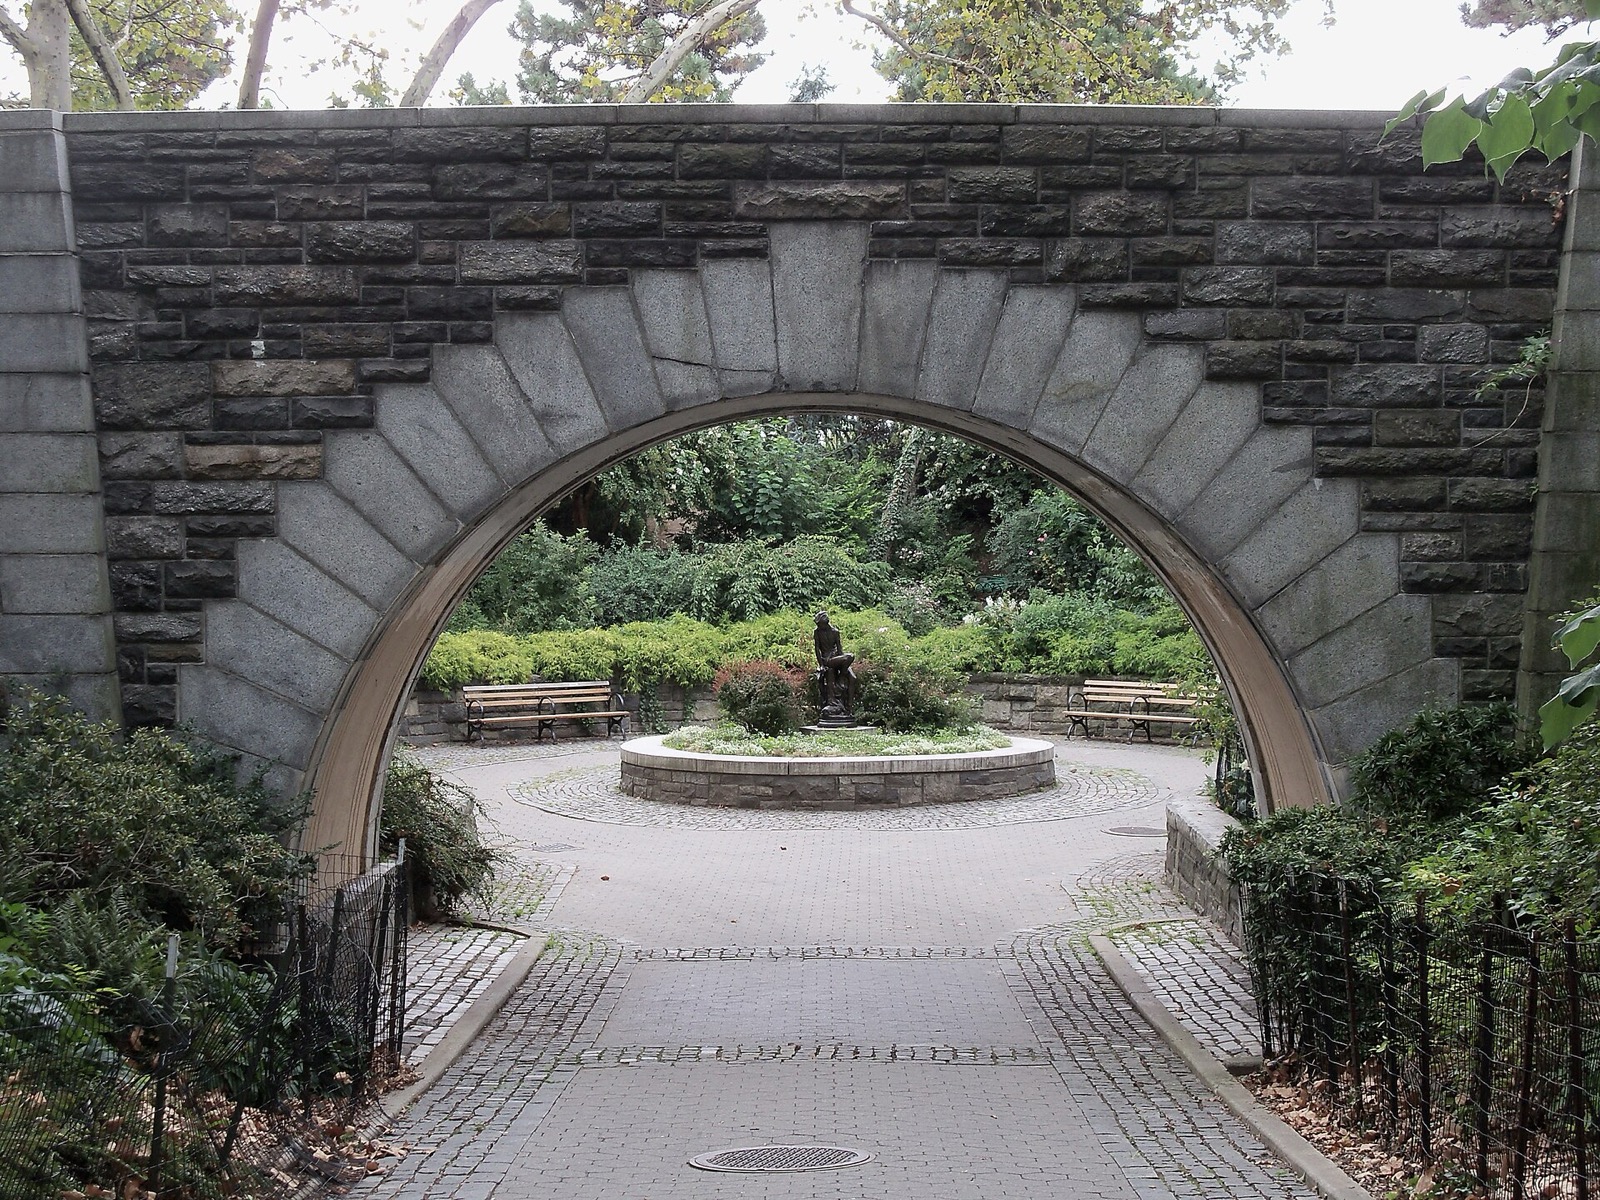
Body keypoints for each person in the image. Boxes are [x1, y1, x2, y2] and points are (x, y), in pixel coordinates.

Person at [813, 611, 857, 719]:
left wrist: (843, 665)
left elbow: (840, 649)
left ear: (825, 622)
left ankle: (848, 709)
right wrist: (821, 665)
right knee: (850, 656)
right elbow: (817, 649)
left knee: (853, 677)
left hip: (837, 658)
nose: (819, 626)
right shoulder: (817, 632)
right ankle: (841, 679)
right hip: (827, 660)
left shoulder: (835, 632)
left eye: (820, 624)